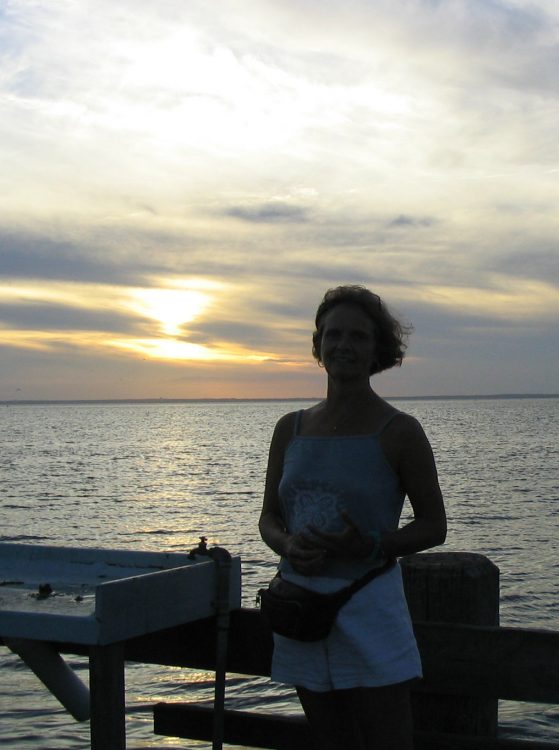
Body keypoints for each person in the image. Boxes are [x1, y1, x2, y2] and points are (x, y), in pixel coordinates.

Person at [259, 285, 447, 750]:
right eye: (334, 334)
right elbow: (268, 518)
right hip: (300, 609)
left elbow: (433, 526)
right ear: (319, 345)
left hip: (368, 609)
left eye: (359, 337)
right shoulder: (290, 429)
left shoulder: (400, 431)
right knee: (330, 740)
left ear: (378, 350)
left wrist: (372, 546)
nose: (344, 345)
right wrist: (286, 545)